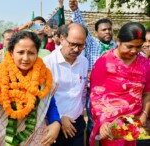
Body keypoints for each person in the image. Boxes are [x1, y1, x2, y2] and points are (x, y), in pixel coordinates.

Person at [0, 31, 61, 146]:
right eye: (20, 52)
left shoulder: (43, 77)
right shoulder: (0, 75)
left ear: (37, 54)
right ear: (11, 53)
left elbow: (51, 106)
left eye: (31, 53)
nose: (25, 58)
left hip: (37, 139)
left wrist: (56, 123)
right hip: (5, 140)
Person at [89, 22, 150, 146]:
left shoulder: (145, 65)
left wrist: (144, 115)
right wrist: (103, 121)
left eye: (138, 47)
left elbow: (147, 94)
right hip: (111, 125)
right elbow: (96, 97)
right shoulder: (104, 63)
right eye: (129, 46)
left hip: (135, 123)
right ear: (118, 41)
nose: (134, 51)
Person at [69, 0, 117, 144]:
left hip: (112, 93)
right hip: (93, 91)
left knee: (111, 123)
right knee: (93, 122)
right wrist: (75, 10)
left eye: (109, 29)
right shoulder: (92, 43)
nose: (107, 32)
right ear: (96, 32)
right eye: (104, 30)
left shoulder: (117, 47)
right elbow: (82, 26)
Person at [44, 23, 88, 146]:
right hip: (54, 125)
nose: (76, 49)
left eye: (80, 45)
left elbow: (82, 92)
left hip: (76, 124)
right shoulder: (47, 63)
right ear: (62, 39)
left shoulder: (84, 62)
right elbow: (43, 98)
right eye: (72, 44)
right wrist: (60, 118)